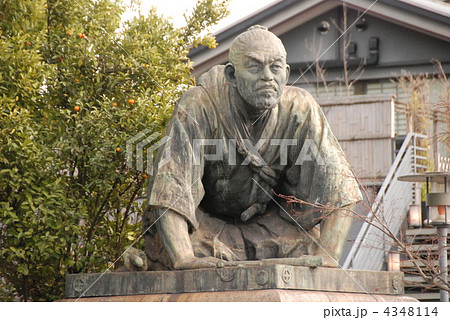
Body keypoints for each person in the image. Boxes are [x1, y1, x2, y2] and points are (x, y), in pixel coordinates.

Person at [144, 25, 362, 270]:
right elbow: (171, 187)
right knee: (174, 250)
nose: (267, 76)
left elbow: (339, 189)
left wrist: (328, 256)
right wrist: (184, 258)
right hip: (207, 228)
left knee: (307, 249)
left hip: (268, 227)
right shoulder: (199, 105)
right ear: (232, 76)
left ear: (287, 73)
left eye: (276, 67)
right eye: (254, 67)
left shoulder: (300, 109)